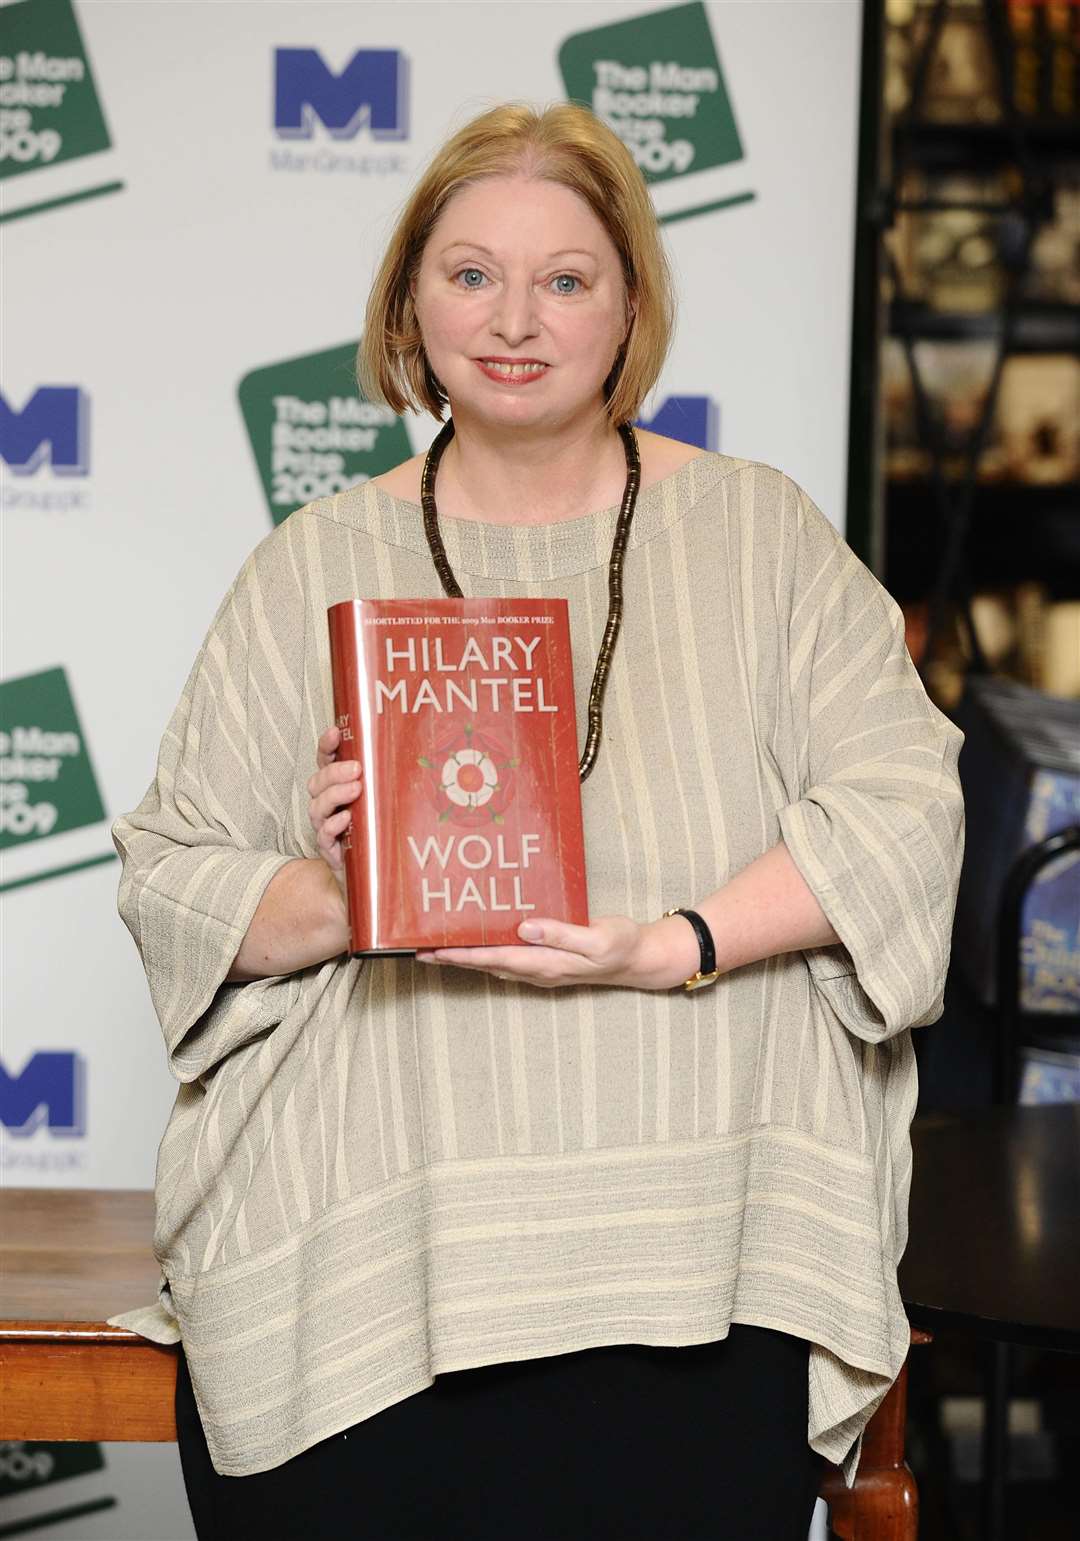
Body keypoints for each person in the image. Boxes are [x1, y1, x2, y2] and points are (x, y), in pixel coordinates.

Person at [108, 102, 965, 1540]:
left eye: (566, 278)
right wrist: (347, 889)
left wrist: (664, 944)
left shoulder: (763, 534)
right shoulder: (309, 563)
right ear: (408, 301)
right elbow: (171, 874)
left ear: (631, 306)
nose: (515, 320)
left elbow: (903, 810)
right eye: (470, 274)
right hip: (375, 1287)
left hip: (696, 1270)